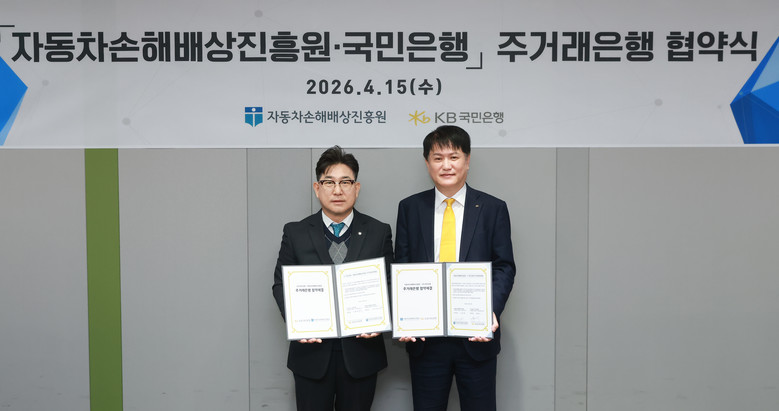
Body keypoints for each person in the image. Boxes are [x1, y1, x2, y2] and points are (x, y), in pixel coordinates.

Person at [395, 125, 516, 410]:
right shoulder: (410, 208)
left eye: (454, 157)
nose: (446, 165)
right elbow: (401, 266)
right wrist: (403, 317)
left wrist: (490, 309)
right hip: (426, 339)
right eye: (438, 158)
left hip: (476, 336)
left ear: (467, 160)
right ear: (427, 163)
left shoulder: (492, 208)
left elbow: (504, 266)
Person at [272, 146, 394, 411]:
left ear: (356, 188)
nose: (337, 190)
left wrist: (383, 319)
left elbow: (389, 283)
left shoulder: (378, 231)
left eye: (345, 182)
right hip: (311, 355)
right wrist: (296, 322)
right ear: (317, 188)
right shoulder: (295, 232)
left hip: (362, 354)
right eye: (329, 182)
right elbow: (281, 284)